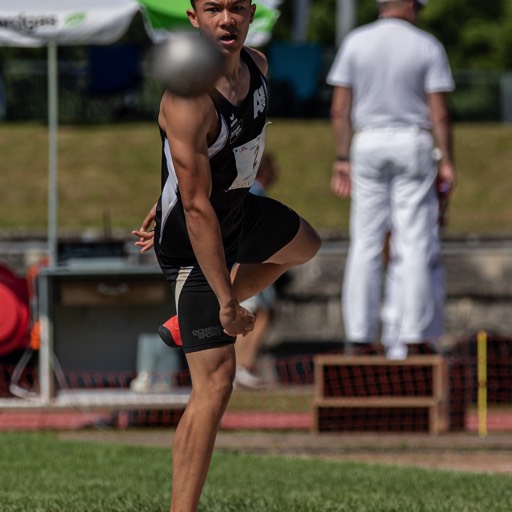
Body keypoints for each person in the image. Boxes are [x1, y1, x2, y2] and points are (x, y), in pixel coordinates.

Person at [132, 1, 321, 510]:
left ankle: (191, 321)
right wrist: (225, 300)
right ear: (193, 19)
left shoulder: (258, 66)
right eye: (213, 8)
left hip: (238, 210)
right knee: (215, 385)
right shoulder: (188, 99)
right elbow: (195, 208)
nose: (226, 19)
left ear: (251, 13)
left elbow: (235, 150)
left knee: (305, 244)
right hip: (195, 241)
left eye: (236, 7)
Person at [327, 0, 456, 357]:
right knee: (413, 242)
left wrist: (342, 155)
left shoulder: (356, 41)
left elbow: (340, 107)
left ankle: (359, 335)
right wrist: (446, 159)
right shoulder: (427, 44)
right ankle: (414, 335)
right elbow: (439, 112)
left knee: (365, 241)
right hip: (412, 140)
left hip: (367, 141)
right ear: (411, 6)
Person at [234, 152, 278, 389]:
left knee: (254, 314)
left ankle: (240, 367)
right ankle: (241, 367)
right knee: (254, 316)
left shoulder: (241, 189)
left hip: (243, 259)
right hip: (251, 261)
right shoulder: (256, 191)